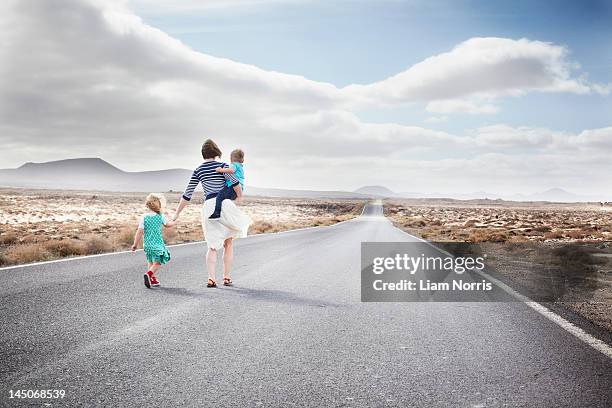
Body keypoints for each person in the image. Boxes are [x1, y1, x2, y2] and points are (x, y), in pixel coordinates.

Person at [173, 139, 252, 288]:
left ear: (203, 154)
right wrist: (239, 198)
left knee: (212, 246)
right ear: (217, 152)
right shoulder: (222, 166)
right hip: (225, 204)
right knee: (228, 242)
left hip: (209, 205)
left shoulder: (198, 170)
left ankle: (211, 278)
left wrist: (177, 213)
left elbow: (187, 194)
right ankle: (226, 277)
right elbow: (235, 183)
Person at [131, 193, 175, 288]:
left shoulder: (144, 217)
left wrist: (135, 244)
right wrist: (174, 222)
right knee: (158, 262)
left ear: (147, 205)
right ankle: (149, 274)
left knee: (150, 261)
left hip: (147, 244)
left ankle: (152, 279)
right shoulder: (160, 216)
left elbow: (139, 232)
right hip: (157, 244)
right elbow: (167, 225)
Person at [210, 148, 245, 219]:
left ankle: (217, 213)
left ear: (233, 158)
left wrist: (220, 170)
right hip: (238, 189)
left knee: (219, 196)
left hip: (232, 188)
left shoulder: (234, 164)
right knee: (226, 202)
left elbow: (231, 170)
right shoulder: (241, 167)